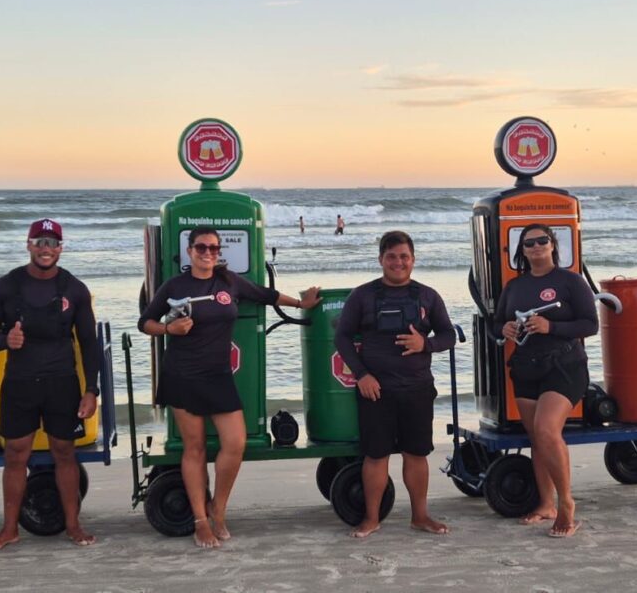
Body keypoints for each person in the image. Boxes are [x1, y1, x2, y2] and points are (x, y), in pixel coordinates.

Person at [139, 226, 321, 548]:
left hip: (218, 375)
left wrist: (301, 304)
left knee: (235, 442)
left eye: (213, 248)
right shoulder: (175, 285)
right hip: (181, 374)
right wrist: (169, 329)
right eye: (201, 247)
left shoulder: (229, 281)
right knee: (194, 448)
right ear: (189, 251)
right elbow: (145, 322)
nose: (207, 253)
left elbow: (265, 294)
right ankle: (200, 521)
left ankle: (218, 509)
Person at [0, 219, 100, 552]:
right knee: (16, 454)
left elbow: (89, 343)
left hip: (61, 382)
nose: (46, 249)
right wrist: (5, 340)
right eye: (40, 242)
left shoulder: (75, 289)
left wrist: (92, 391)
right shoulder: (5, 286)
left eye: (52, 243)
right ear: (28, 245)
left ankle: (73, 525)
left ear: (61, 248)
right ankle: (9, 529)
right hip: (19, 383)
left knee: (64, 452)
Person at [334, 230, 455, 538]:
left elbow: (448, 335)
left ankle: (420, 516)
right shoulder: (362, 296)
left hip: (417, 387)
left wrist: (425, 344)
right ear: (381, 260)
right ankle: (371, 518)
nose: (398, 262)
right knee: (376, 455)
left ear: (413, 260)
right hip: (375, 390)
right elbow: (342, 337)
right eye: (391, 257)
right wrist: (362, 374)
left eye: (404, 257)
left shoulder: (428, 296)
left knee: (416, 454)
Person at [495, 224, 597, 538]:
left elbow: (590, 325)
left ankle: (566, 503)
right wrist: (505, 329)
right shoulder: (514, 286)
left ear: (553, 245)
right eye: (529, 243)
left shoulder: (571, 281)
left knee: (546, 430)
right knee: (537, 438)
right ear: (522, 251)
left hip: (565, 366)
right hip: (526, 367)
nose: (537, 246)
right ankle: (545, 504)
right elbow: (496, 322)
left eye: (542, 240)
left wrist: (551, 327)